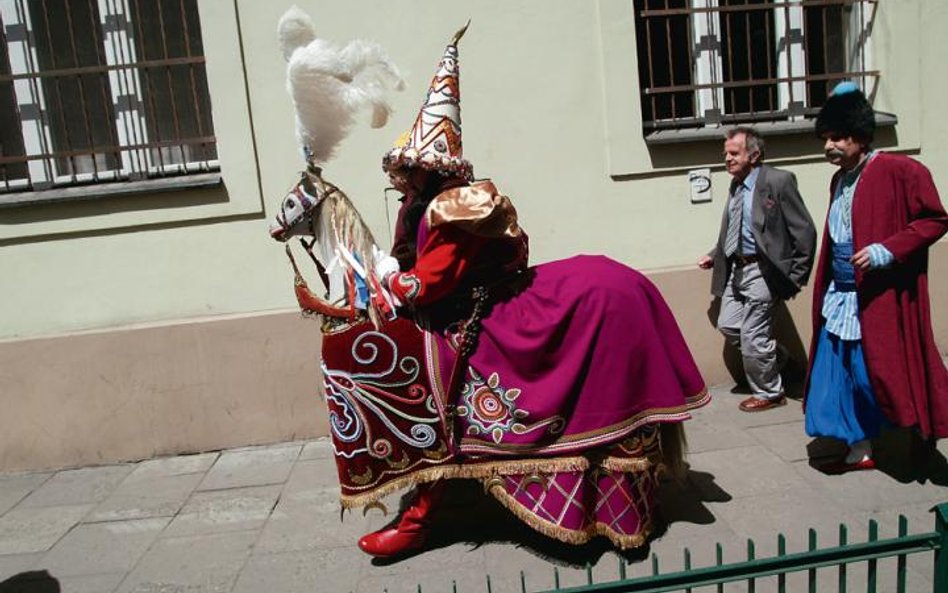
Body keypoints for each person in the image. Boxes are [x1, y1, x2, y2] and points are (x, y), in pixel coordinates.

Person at [354, 23, 710, 558]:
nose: (402, 176)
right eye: (401, 169)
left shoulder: (455, 206)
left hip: (479, 311)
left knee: (443, 400)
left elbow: (430, 281)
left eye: (409, 168)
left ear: (430, 168)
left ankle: (427, 513)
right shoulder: (425, 204)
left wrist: (387, 284)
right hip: (475, 302)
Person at [804, 82, 948, 473]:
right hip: (842, 296)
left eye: (837, 137)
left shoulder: (903, 170)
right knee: (838, 376)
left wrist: (889, 249)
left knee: (880, 377)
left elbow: (935, 219)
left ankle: (921, 432)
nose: (829, 146)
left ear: (860, 136)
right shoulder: (839, 179)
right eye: (826, 138)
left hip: (880, 297)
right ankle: (860, 448)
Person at [698, 127, 817, 412]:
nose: (726, 159)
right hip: (736, 270)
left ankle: (769, 392)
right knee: (728, 323)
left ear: (754, 154)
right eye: (725, 153)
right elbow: (738, 229)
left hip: (764, 271)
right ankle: (781, 360)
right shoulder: (737, 185)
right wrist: (716, 255)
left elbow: (805, 231)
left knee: (753, 336)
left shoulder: (778, 181)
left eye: (733, 153)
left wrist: (796, 276)